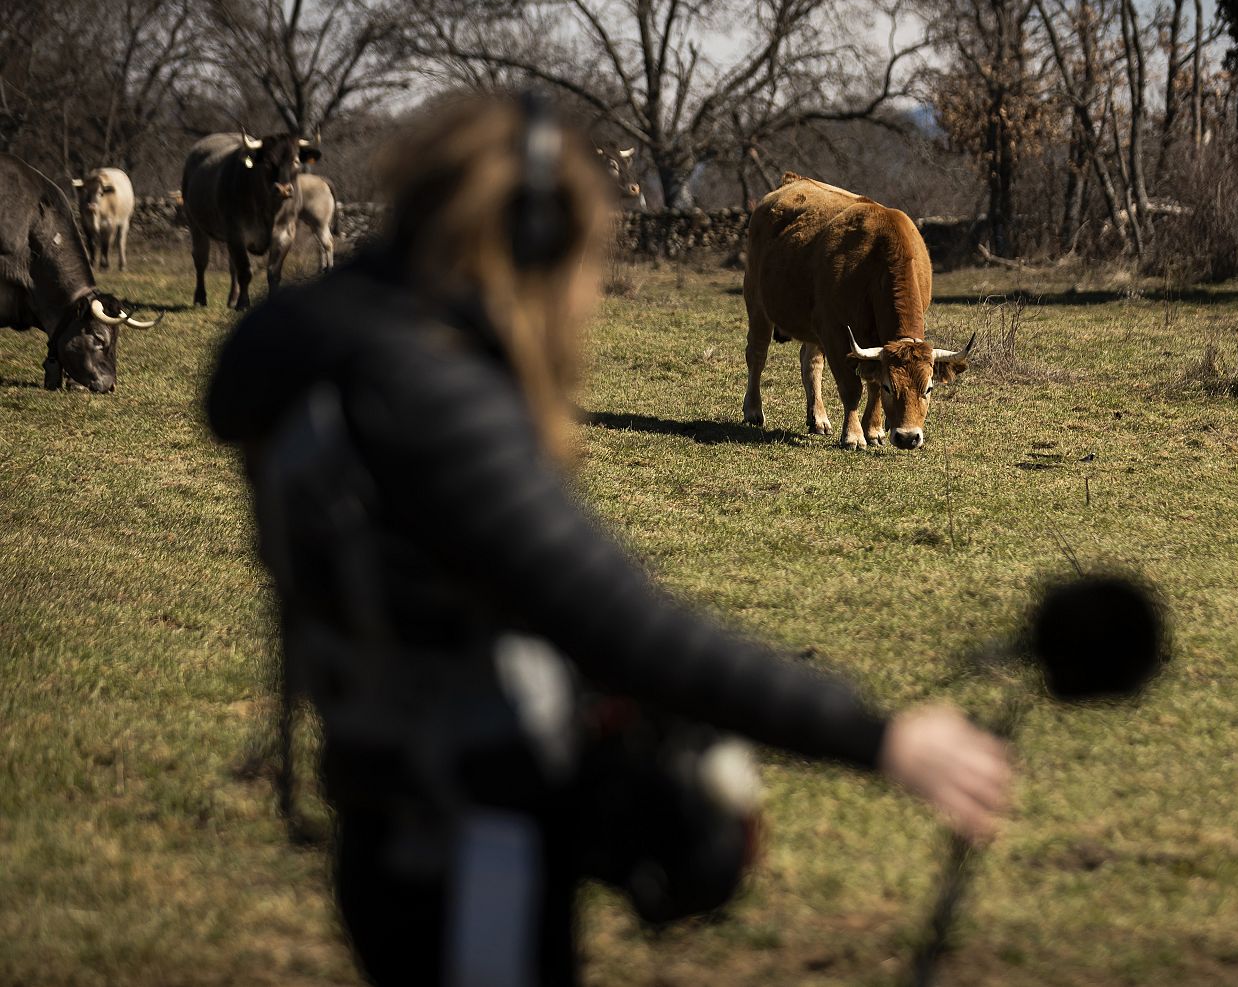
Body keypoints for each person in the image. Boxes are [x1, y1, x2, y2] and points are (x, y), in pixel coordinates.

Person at [206, 91, 1011, 987]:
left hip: (385, 816)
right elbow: (626, 624)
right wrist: (881, 736)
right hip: (476, 853)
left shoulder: (329, 363)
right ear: (532, 245)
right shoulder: (433, 408)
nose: (587, 293)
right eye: (583, 259)